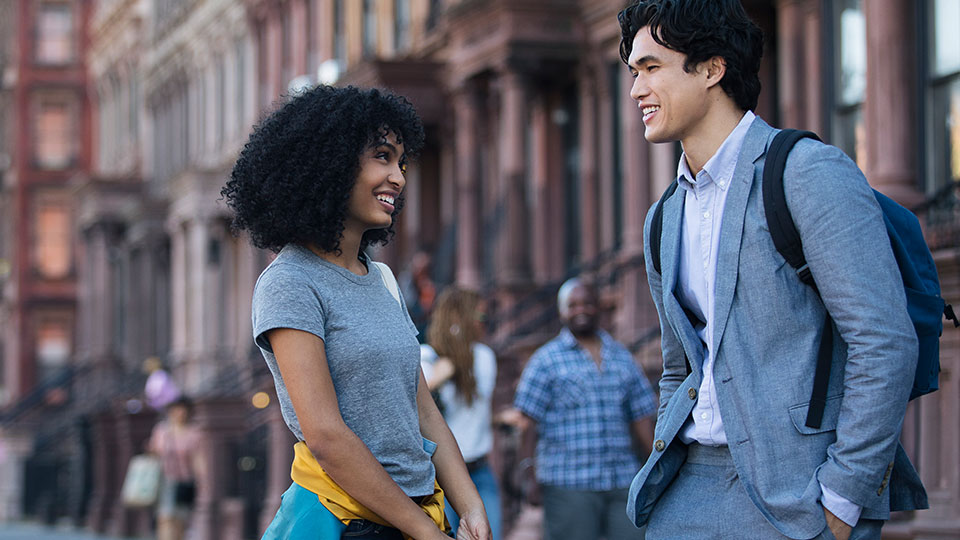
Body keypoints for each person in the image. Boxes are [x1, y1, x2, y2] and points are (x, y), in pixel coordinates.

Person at [617, 2, 927, 539]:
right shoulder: (663, 216)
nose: (636, 90)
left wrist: (844, 495)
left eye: (651, 68)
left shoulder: (807, 173)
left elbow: (884, 340)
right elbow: (678, 366)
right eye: (633, 73)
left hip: (800, 496)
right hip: (687, 491)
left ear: (712, 69)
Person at [222, 84, 490, 540]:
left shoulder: (382, 278)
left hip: (419, 515)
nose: (399, 177)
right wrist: (425, 533)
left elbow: (423, 410)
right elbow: (327, 437)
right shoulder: (289, 283)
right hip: (342, 521)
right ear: (329, 163)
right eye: (382, 157)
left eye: (401, 162)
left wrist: (472, 507)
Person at [501, 278, 656, 540]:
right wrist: (528, 473)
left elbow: (641, 416)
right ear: (562, 312)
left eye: (587, 303)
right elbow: (527, 423)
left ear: (598, 307)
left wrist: (656, 466)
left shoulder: (622, 357)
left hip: (622, 481)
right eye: (572, 305)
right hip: (568, 484)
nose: (580, 310)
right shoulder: (545, 360)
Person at [420, 288, 501, 540]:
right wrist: (437, 380)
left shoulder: (484, 358)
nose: (484, 324)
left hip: (479, 470)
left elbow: (474, 413)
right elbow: (417, 413)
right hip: (438, 477)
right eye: (481, 317)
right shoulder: (426, 357)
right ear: (460, 318)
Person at [148, 397, 202, 540]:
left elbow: (197, 458)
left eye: (182, 410)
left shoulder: (193, 432)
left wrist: (200, 479)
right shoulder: (161, 431)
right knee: (165, 517)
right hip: (164, 480)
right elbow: (153, 452)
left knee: (180, 519)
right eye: (176, 410)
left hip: (184, 481)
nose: (179, 413)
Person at [401, 249, 438, 339]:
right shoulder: (406, 282)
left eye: (425, 270)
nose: (421, 272)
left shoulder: (429, 286)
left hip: (426, 329)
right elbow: (407, 304)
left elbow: (428, 308)